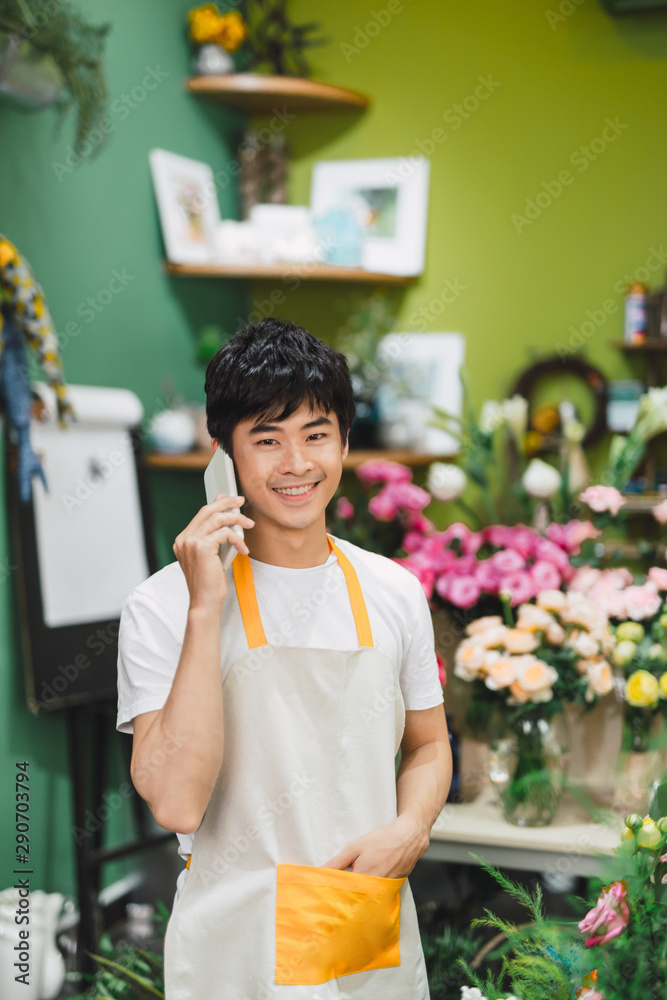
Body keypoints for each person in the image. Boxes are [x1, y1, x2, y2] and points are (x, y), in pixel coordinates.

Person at [116, 318, 452, 999]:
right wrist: (206, 609)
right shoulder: (160, 607)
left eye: (315, 435)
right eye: (266, 440)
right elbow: (177, 802)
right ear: (224, 454)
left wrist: (410, 829)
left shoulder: (393, 591)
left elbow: (427, 745)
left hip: (358, 919)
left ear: (344, 441)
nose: (295, 464)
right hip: (233, 941)